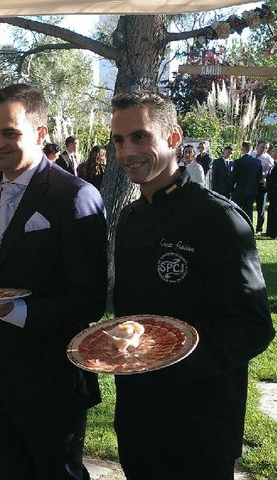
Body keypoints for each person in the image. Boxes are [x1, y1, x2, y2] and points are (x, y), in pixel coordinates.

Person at [0, 84, 107, 480]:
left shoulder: (74, 196)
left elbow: (89, 298)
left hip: (46, 373)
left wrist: (14, 311)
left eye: (10, 133)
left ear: (41, 133)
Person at [110, 90, 274, 480]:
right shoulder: (130, 219)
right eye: (118, 140)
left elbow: (253, 327)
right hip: (137, 414)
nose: (126, 151)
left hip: (199, 422)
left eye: (139, 137)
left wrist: (169, 360)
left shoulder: (219, 220)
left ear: (173, 137)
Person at [232, 141, 262, 223]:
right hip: (252, 191)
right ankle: (249, 228)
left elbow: (233, 178)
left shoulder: (238, 162)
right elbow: (259, 178)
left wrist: (231, 189)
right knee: (249, 211)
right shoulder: (257, 162)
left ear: (242, 149)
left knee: (236, 211)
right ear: (251, 149)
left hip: (239, 190)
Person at [251, 141, 274, 233]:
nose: (264, 149)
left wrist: (266, 181)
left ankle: (259, 228)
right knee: (248, 206)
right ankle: (249, 226)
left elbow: (271, 173)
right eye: (262, 147)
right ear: (257, 146)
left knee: (261, 208)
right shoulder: (251, 155)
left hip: (261, 185)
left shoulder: (269, 159)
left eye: (266, 148)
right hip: (251, 184)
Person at [265, 145, 277, 238]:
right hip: (272, 193)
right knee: (271, 210)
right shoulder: (274, 164)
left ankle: (273, 232)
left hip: (275, 192)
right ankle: (270, 231)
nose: (271, 153)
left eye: (273, 151)